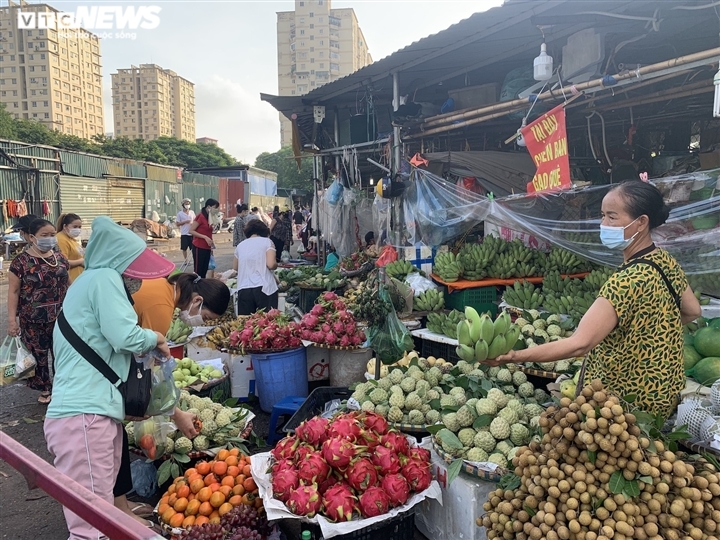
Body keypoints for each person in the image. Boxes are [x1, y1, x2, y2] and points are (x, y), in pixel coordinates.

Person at [490, 181, 702, 420]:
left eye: (612, 217)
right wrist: (647, 334)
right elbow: (693, 310)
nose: (603, 224)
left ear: (641, 222)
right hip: (661, 391)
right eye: (602, 216)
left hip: (622, 404)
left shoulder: (626, 281)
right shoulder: (664, 260)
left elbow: (580, 344)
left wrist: (514, 357)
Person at [44, 216, 180, 539]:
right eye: (132, 269)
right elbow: (124, 335)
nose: (135, 280)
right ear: (119, 263)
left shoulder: (87, 285)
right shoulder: (103, 278)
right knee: (91, 526)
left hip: (90, 415)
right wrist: (155, 339)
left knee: (100, 514)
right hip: (83, 418)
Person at [8, 218, 70, 403]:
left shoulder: (58, 257)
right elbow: (13, 291)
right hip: (33, 318)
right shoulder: (21, 262)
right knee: (39, 354)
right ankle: (45, 390)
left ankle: (63, 387)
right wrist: (12, 320)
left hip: (61, 316)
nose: (49, 239)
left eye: (52, 235)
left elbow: (68, 283)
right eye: (44, 235)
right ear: (32, 237)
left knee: (62, 352)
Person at [132, 272, 231, 333]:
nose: (202, 322)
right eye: (205, 317)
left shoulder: (164, 284)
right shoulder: (163, 307)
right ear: (197, 300)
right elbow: (145, 351)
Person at [233, 219, 278, 315]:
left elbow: (236, 267)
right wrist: (276, 265)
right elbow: (271, 264)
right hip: (265, 288)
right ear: (264, 231)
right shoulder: (267, 242)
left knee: (246, 325)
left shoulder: (240, 245)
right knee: (268, 324)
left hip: (244, 289)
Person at [190, 198, 219, 278]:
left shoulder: (210, 217)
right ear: (208, 207)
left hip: (207, 247)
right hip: (199, 246)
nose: (216, 210)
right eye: (215, 207)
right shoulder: (200, 216)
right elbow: (191, 231)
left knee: (204, 269)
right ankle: (195, 288)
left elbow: (209, 233)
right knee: (198, 270)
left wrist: (211, 247)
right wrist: (204, 237)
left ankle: (201, 287)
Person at [55, 213, 85, 283]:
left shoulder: (71, 239)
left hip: (78, 278)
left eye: (79, 227)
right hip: (71, 281)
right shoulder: (61, 239)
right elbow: (62, 262)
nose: (77, 229)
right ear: (65, 226)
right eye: (75, 227)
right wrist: (80, 261)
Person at [176, 198, 196, 263]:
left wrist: (193, 224)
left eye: (188, 204)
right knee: (184, 248)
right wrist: (185, 222)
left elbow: (195, 221)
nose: (187, 205)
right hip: (184, 233)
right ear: (183, 205)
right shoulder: (180, 214)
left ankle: (194, 259)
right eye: (186, 204)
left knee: (193, 248)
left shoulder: (192, 212)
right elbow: (177, 224)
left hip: (191, 233)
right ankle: (186, 260)